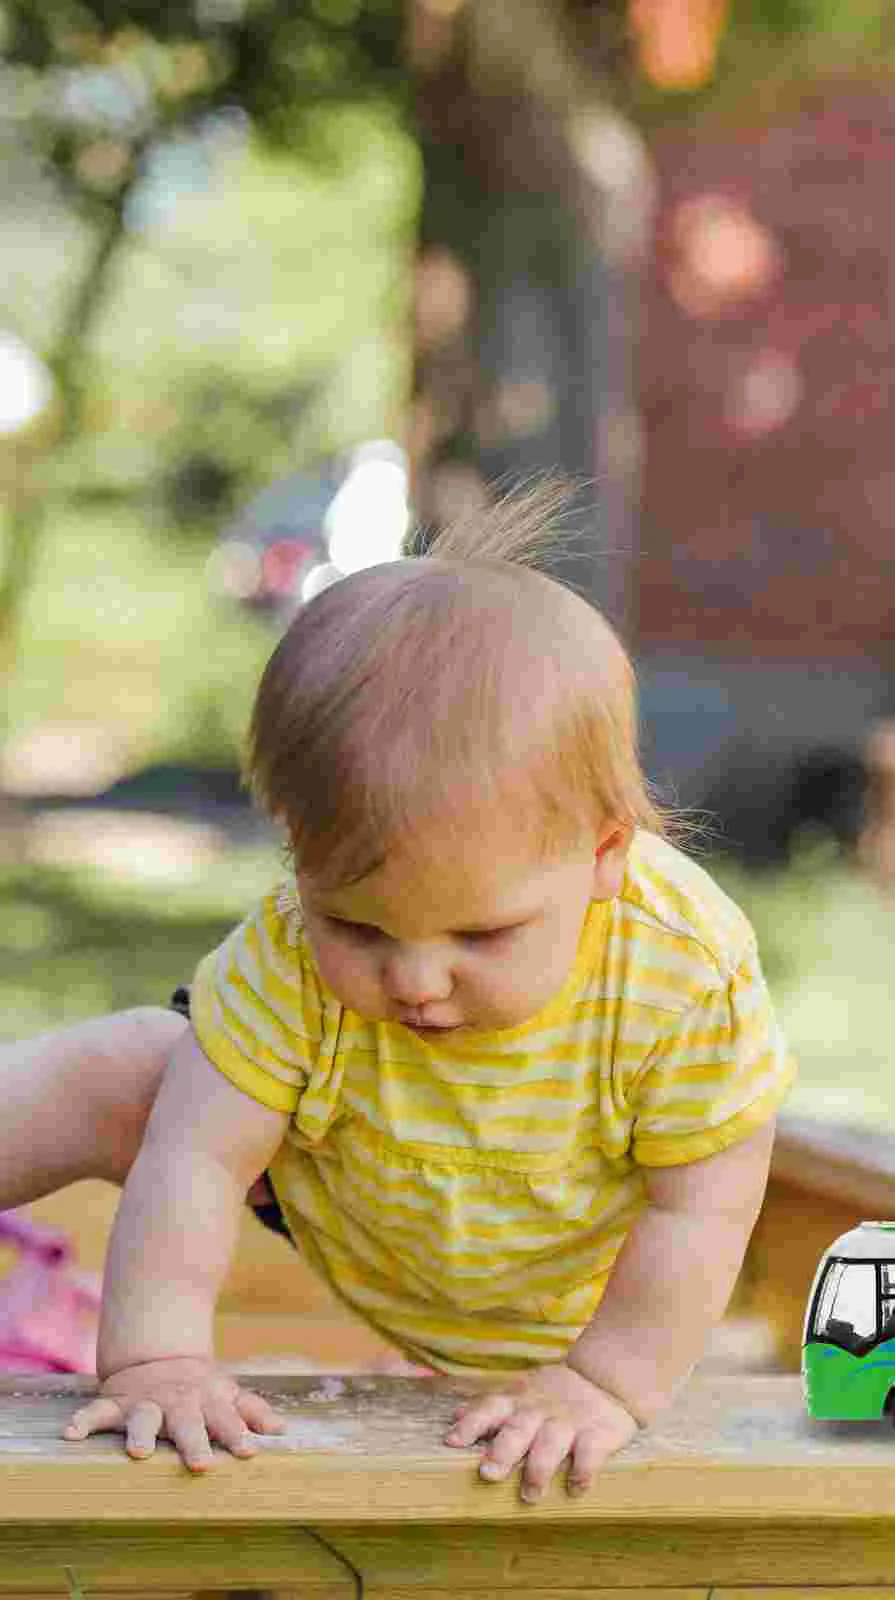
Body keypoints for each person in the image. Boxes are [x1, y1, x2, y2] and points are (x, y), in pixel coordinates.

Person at [0, 480, 795, 1500]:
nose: (415, 980)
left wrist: (606, 1380)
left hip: (572, 1276)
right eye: (359, 926)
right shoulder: (286, 947)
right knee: (135, 1069)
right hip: (356, 1185)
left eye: (482, 932)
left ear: (604, 854)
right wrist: (158, 1358)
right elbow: (196, 1157)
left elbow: (702, 1209)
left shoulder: (682, 972)